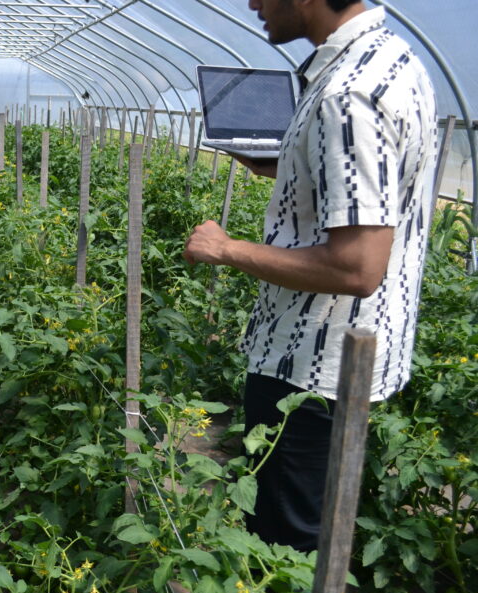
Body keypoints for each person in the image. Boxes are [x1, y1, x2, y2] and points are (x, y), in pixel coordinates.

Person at [183, 0, 437, 553]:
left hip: (312, 370)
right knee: (305, 531)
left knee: (285, 548)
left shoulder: (348, 94)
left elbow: (356, 265)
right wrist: (287, 162)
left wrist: (227, 249)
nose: (251, 3)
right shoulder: (395, 60)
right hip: (354, 357)